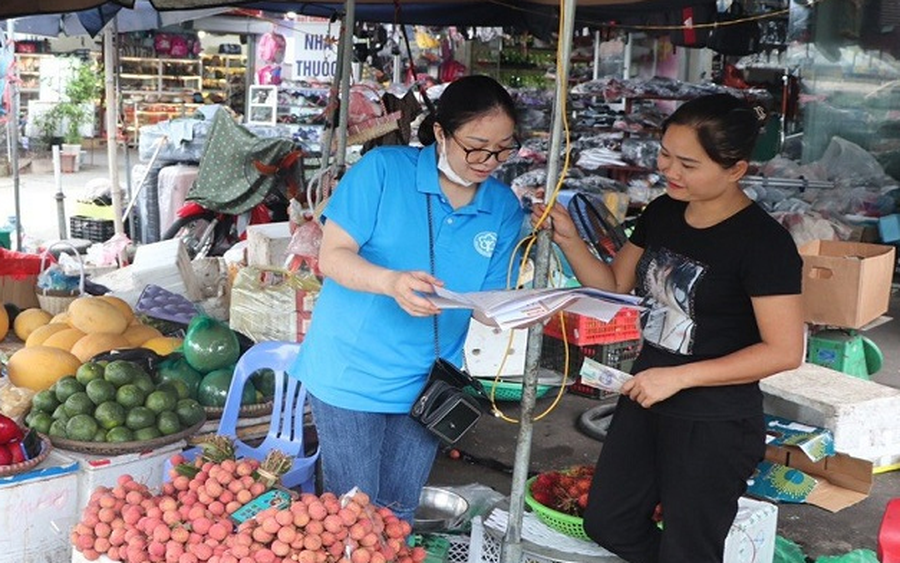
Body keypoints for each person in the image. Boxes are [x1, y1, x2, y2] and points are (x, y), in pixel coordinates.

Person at [532, 93, 804, 563]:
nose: (669, 171)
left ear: (736, 169)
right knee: (608, 519)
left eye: (688, 164)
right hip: (646, 398)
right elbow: (616, 284)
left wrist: (679, 376)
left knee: (689, 546)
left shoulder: (765, 244)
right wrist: (571, 241)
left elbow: (783, 351)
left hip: (714, 420)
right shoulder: (662, 212)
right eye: (665, 155)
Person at [289, 75, 524, 523]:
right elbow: (332, 258)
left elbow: (491, 305)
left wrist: (522, 311)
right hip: (351, 373)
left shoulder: (503, 207)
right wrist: (391, 282)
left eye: (503, 149)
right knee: (354, 516)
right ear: (440, 132)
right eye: (476, 146)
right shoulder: (383, 171)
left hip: (430, 382)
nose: (489, 161)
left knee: (398, 512)